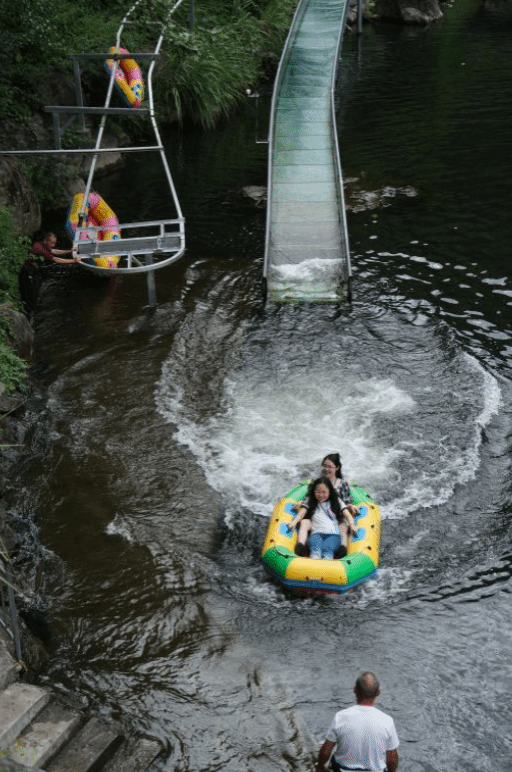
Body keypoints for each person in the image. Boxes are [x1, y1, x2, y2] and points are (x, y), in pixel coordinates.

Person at [315, 671, 399, 772]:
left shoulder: (340, 717)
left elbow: (325, 752)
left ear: (355, 690)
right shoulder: (387, 721)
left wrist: (320, 766)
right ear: (377, 693)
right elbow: (392, 761)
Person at [290, 454, 358, 556]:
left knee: (342, 525)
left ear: (337, 468)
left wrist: (350, 506)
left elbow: (346, 503)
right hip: (317, 519)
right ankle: (300, 545)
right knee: (305, 522)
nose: (326, 469)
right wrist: (301, 502)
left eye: (330, 467)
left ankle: (343, 547)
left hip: (336, 519)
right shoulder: (316, 483)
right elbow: (309, 499)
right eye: (325, 466)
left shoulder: (342, 485)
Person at [288, 476, 349, 560]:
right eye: (318, 492)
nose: (321, 495)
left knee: (328, 548)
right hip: (316, 533)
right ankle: (312, 562)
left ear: (330, 491)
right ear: (314, 491)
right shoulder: (311, 500)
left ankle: (327, 563)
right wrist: (293, 522)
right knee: (315, 547)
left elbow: (347, 514)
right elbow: (301, 513)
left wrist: (352, 525)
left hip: (333, 535)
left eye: (324, 492)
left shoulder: (336, 501)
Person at [19, 232, 77, 317]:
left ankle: (31, 311)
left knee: (35, 293)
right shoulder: (39, 248)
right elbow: (56, 259)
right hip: (27, 273)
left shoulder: (43, 245)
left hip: (34, 272)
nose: (53, 245)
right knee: (30, 295)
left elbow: (54, 251)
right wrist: (73, 261)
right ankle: (28, 314)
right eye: (52, 243)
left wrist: (69, 251)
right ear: (46, 241)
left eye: (54, 243)